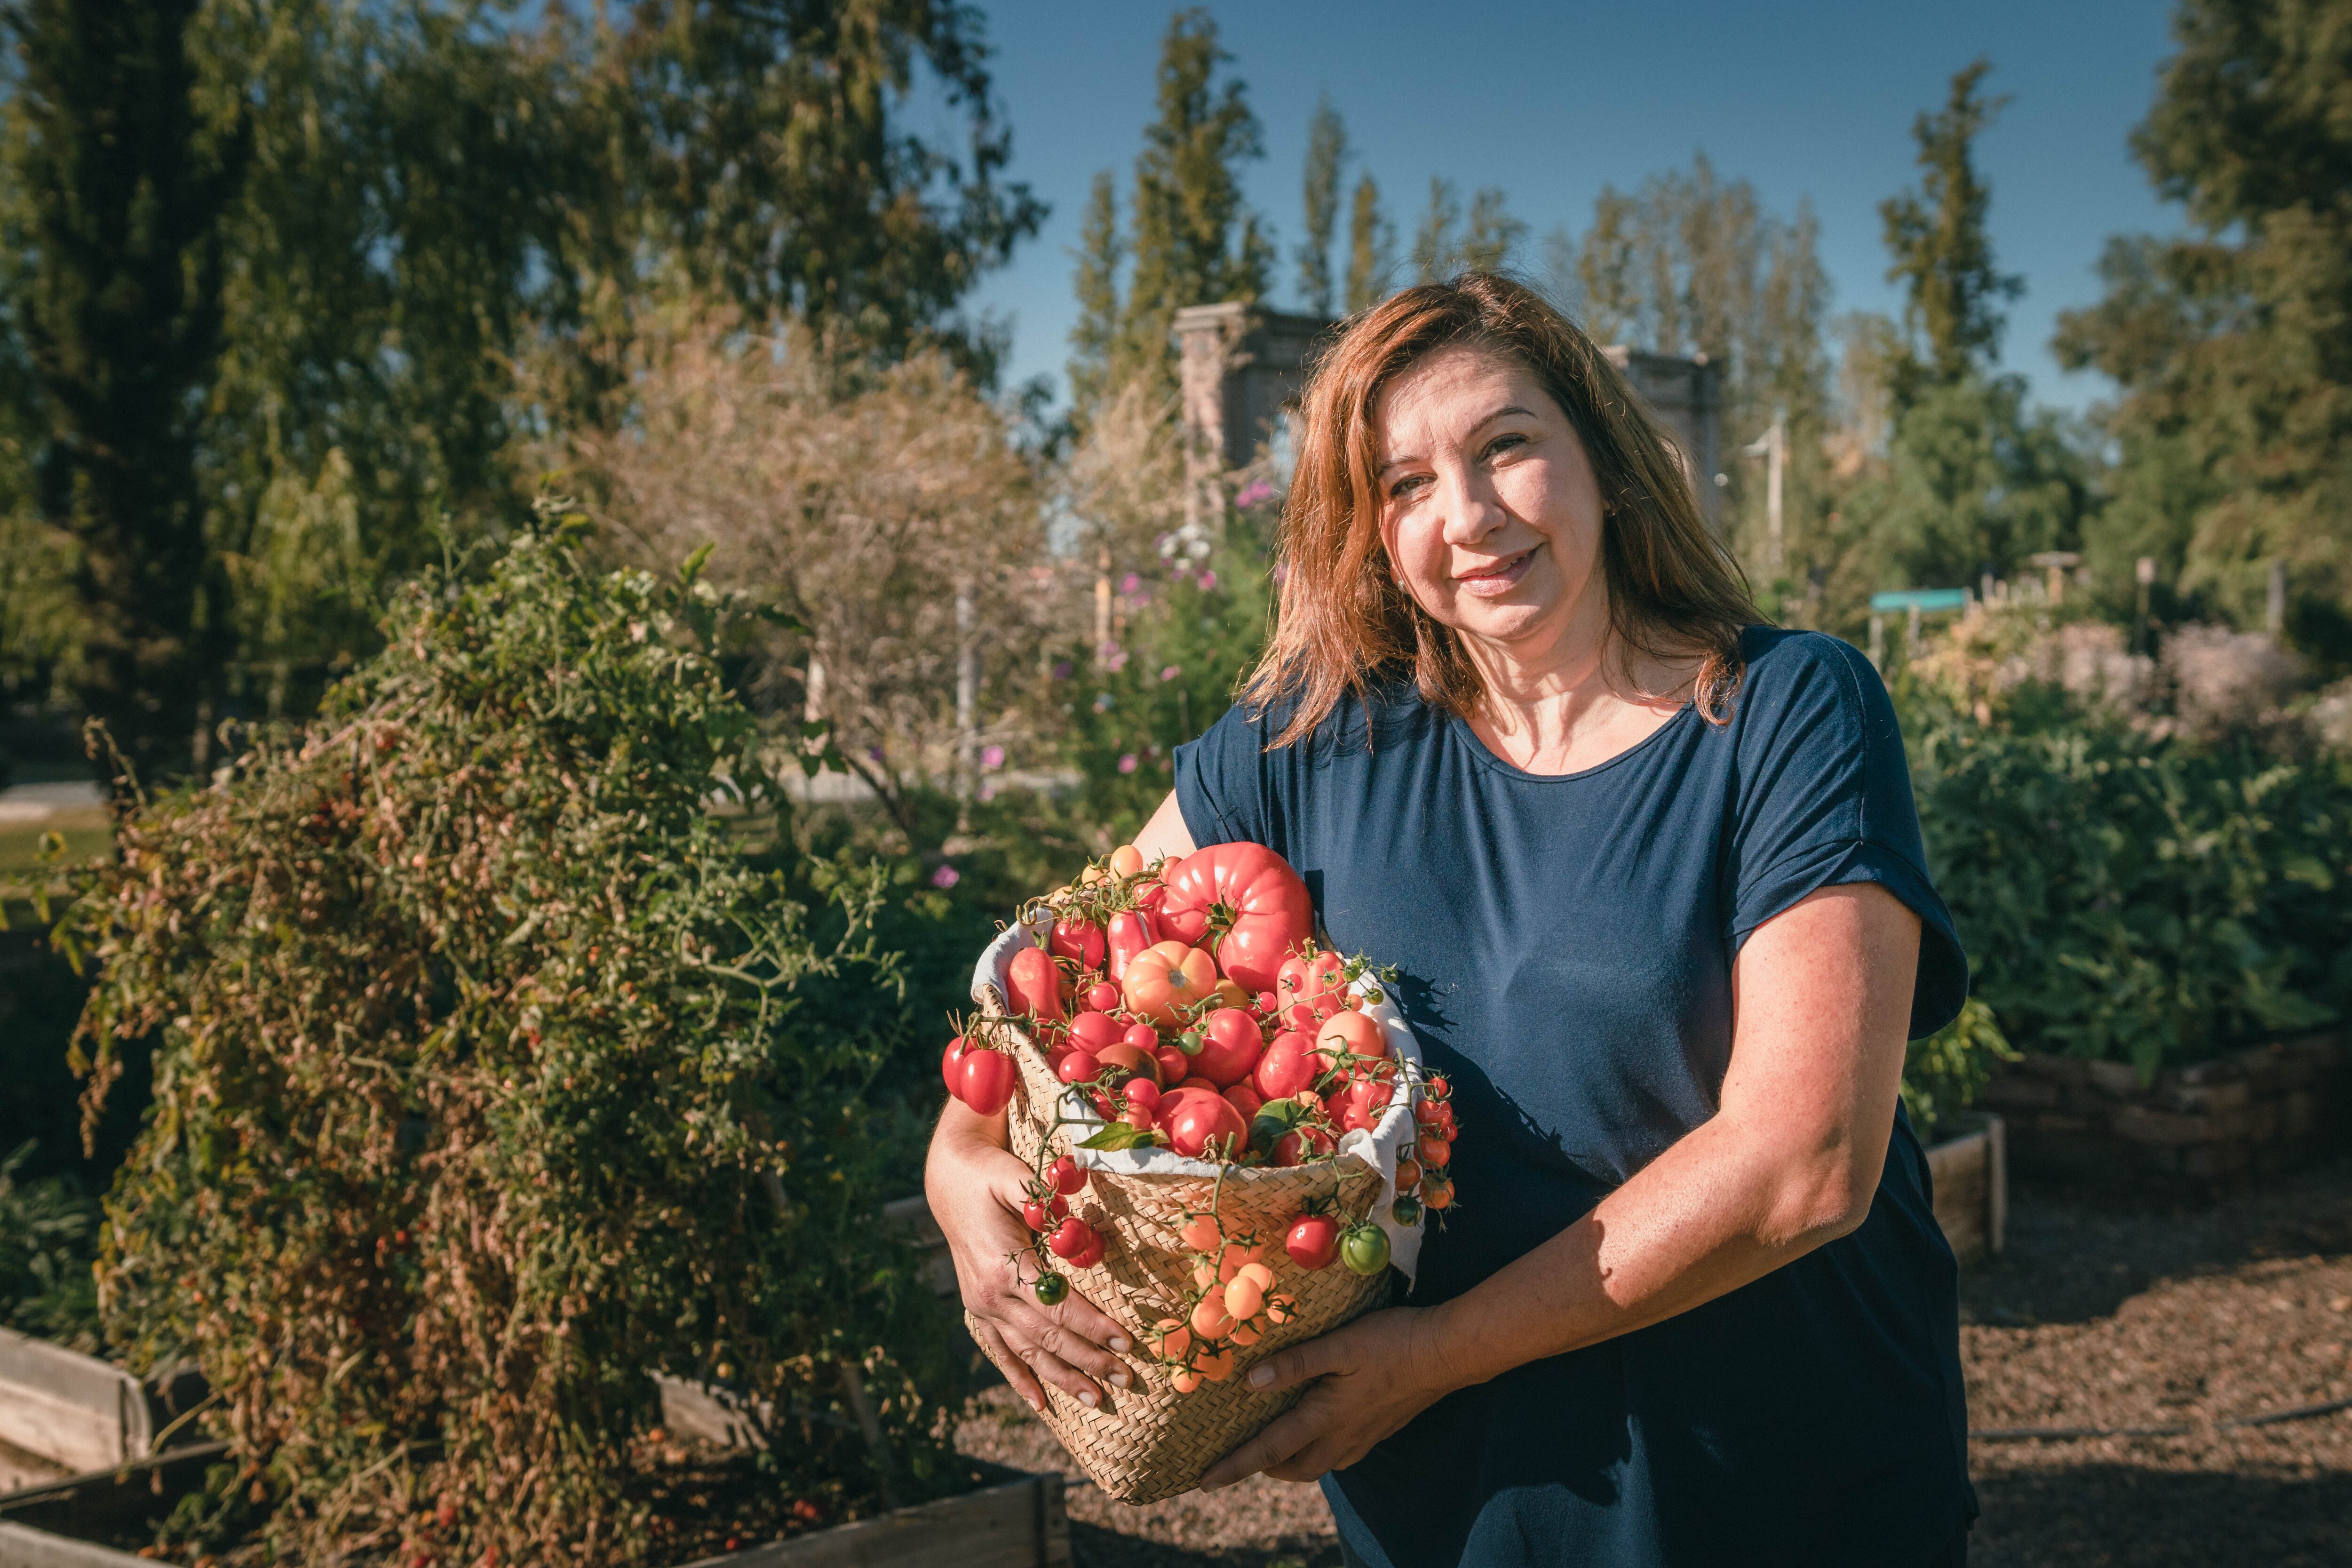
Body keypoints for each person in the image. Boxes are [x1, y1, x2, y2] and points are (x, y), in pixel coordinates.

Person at [925, 273, 1974, 1567]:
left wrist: (1433, 1355)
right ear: (1368, 529)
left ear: (1600, 452)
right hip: (1457, 1508)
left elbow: (1805, 1165)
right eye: (1405, 483)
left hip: (1772, 1484)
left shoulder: (1783, 711)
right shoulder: (1312, 743)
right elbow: (1059, 964)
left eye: (1506, 448)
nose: (1466, 517)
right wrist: (958, 1153)